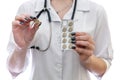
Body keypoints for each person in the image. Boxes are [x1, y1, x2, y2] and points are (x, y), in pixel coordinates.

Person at [7, 0, 113, 80]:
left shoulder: (96, 11)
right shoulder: (27, 9)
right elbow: (14, 70)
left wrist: (88, 59)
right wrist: (20, 48)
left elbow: (104, 67)